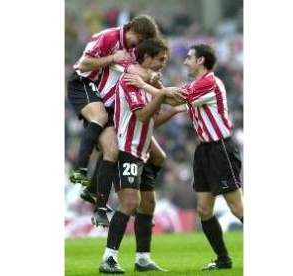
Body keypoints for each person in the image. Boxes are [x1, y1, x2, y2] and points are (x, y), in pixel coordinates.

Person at [125, 44, 244, 271]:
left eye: (189, 57)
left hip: (221, 150)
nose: (185, 61)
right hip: (204, 152)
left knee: (237, 207)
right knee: (203, 210)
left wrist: (143, 85)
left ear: (200, 61)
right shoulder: (197, 85)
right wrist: (158, 85)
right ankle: (223, 259)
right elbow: (174, 98)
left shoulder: (209, 82)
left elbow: (174, 100)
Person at [67, 15, 183, 227]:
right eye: (159, 60)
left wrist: (165, 91)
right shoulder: (111, 39)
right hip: (88, 89)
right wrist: (158, 87)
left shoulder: (133, 58)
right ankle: (86, 177)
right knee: (110, 144)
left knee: (157, 155)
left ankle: (105, 192)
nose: (136, 46)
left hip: (111, 107)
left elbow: (152, 106)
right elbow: (83, 64)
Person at [98, 38, 185, 274]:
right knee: (130, 202)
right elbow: (144, 115)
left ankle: (143, 259)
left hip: (142, 150)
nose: (163, 65)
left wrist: (174, 110)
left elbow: (154, 118)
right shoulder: (129, 80)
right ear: (146, 58)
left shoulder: (148, 80)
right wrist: (160, 92)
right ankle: (108, 259)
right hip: (127, 149)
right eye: (160, 60)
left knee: (148, 203)